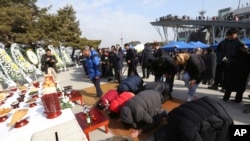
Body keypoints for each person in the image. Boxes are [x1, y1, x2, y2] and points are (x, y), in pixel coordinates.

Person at [221, 28, 250, 103]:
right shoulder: (227, 42)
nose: (229, 37)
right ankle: (228, 97)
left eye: (230, 35)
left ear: (235, 34)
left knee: (238, 84)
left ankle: (236, 99)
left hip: (239, 67)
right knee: (231, 82)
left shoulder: (240, 44)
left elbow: (243, 55)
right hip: (233, 65)